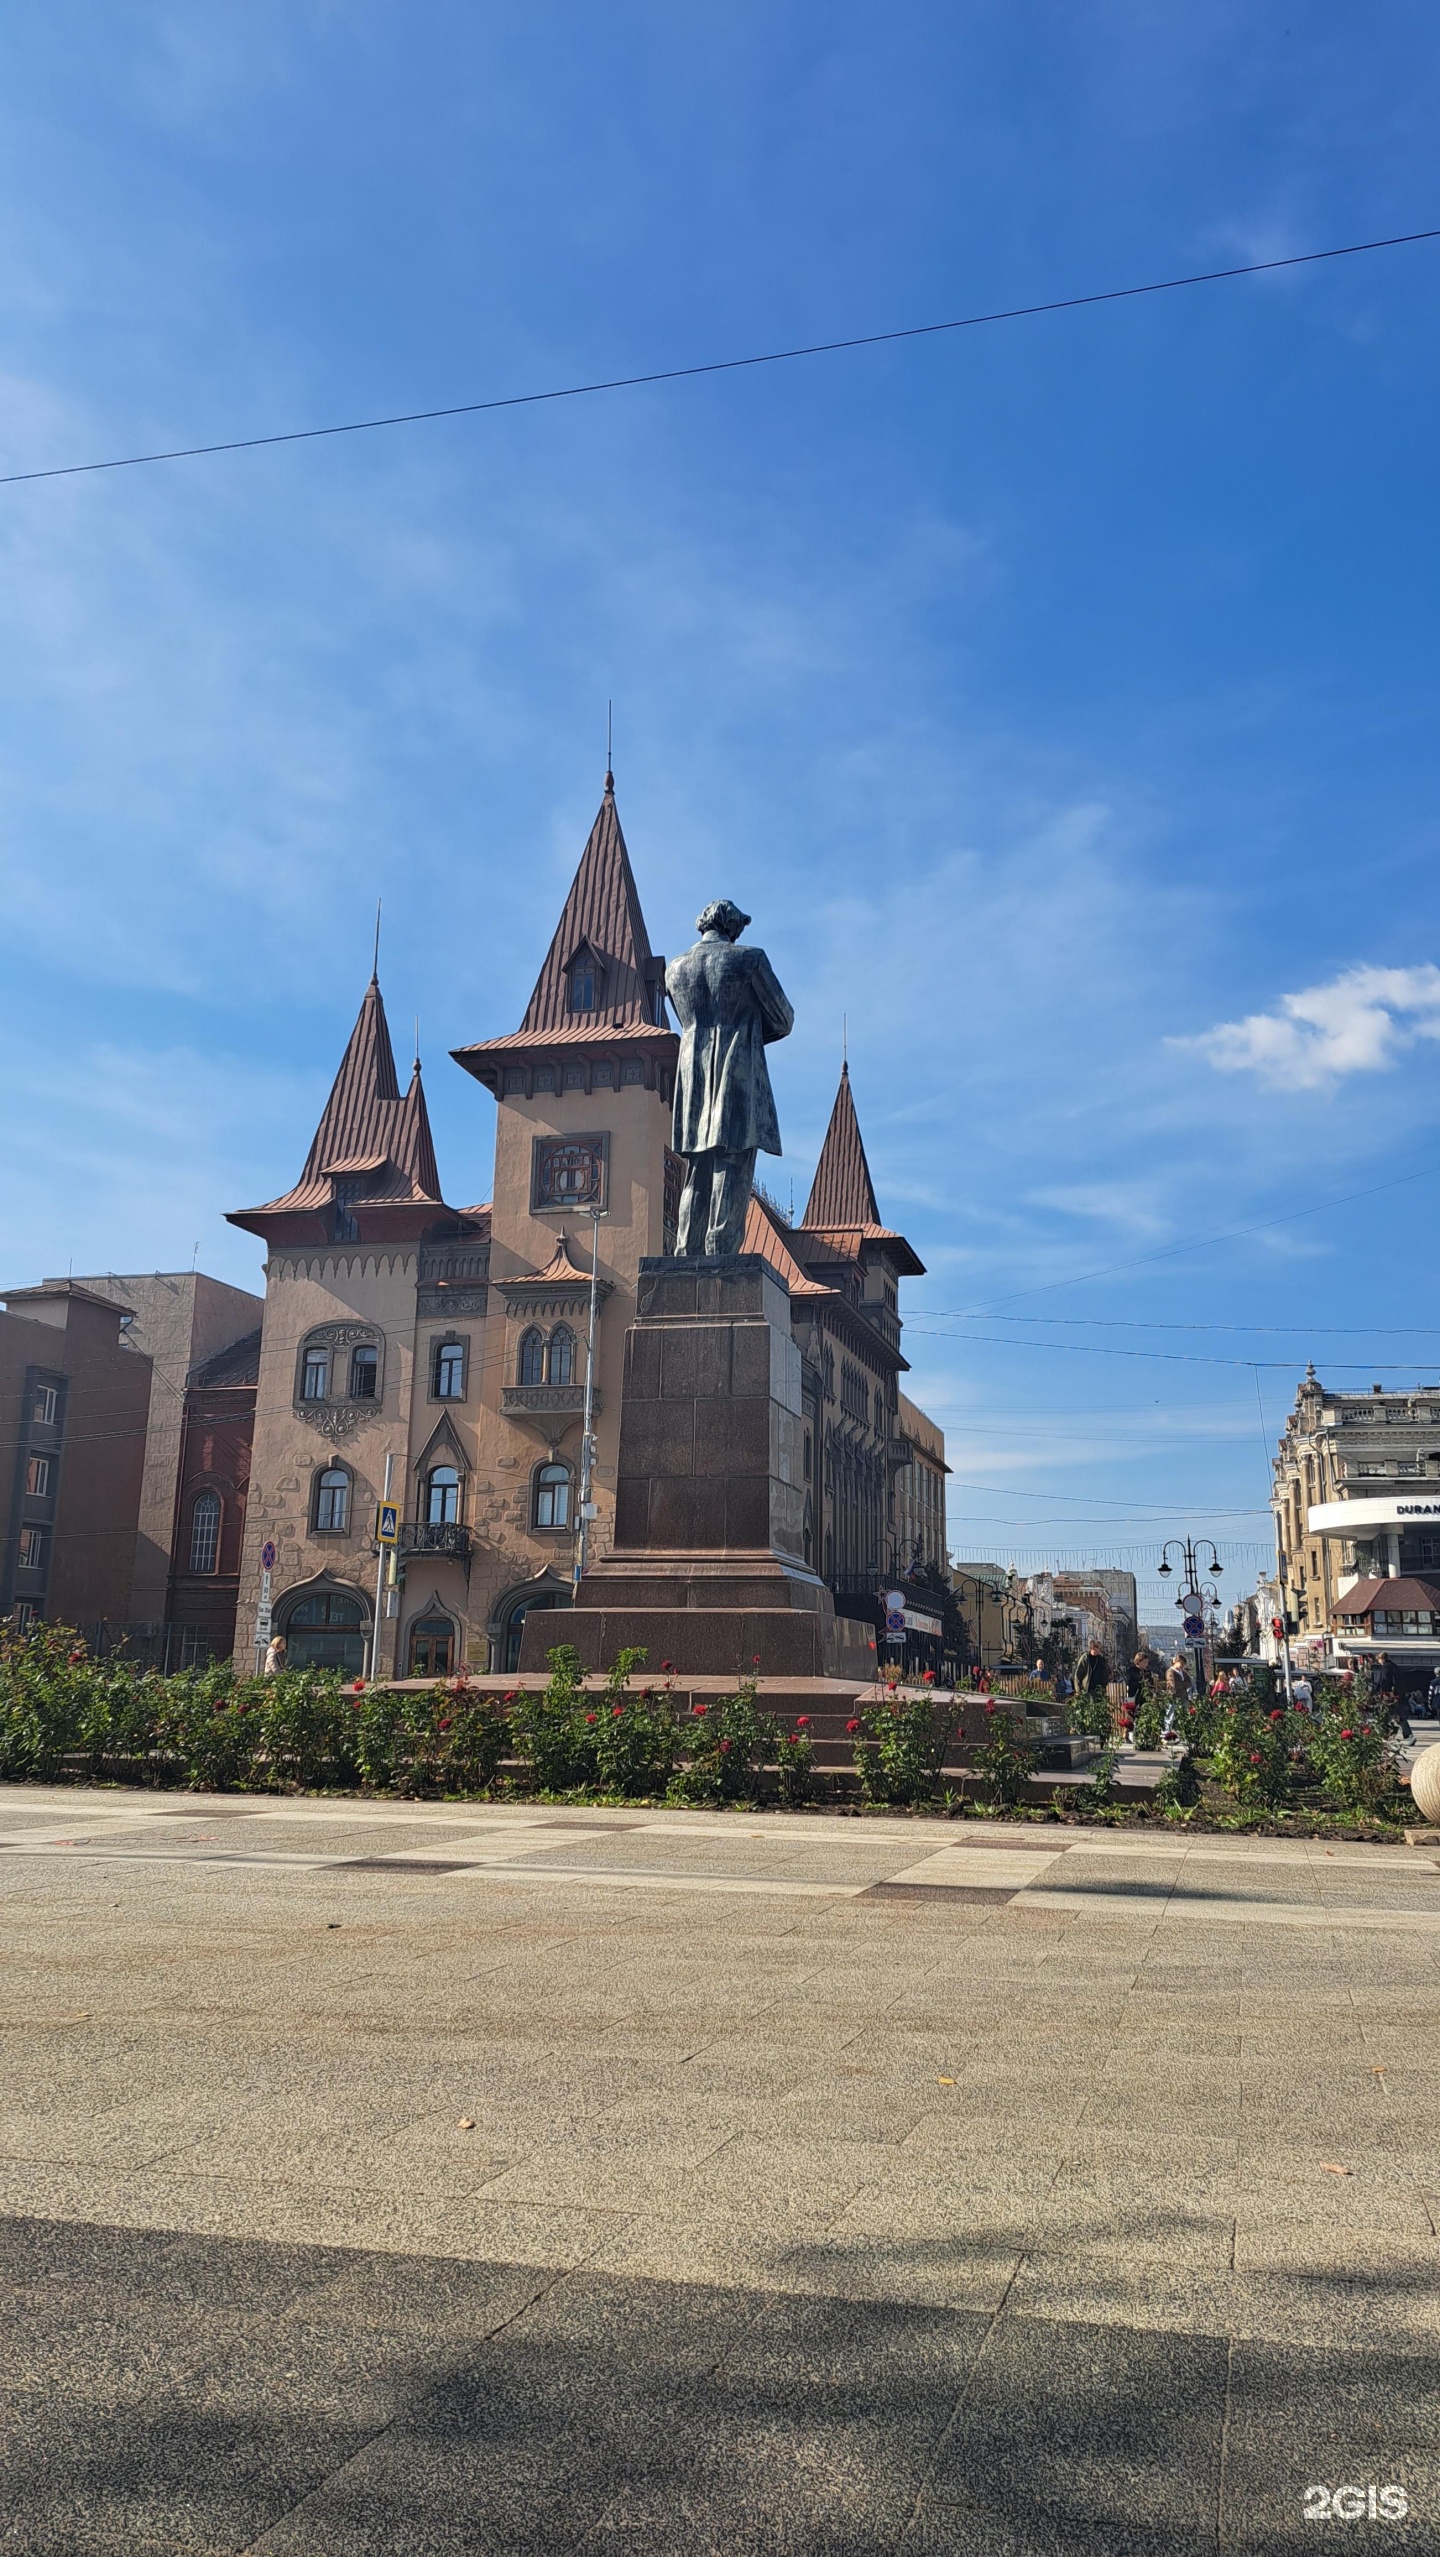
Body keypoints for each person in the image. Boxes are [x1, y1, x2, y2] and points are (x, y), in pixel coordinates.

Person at [665, 898, 794, 1258]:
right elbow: (784, 1018)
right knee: (732, 1162)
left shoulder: (674, 969)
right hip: (735, 1067)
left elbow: (684, 1017)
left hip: (692, 1074)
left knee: (697, 1169)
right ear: (733, 927)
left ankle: (685, 1248)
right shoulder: (749, 959)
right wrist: (749, 1026)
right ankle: (720, 1249)